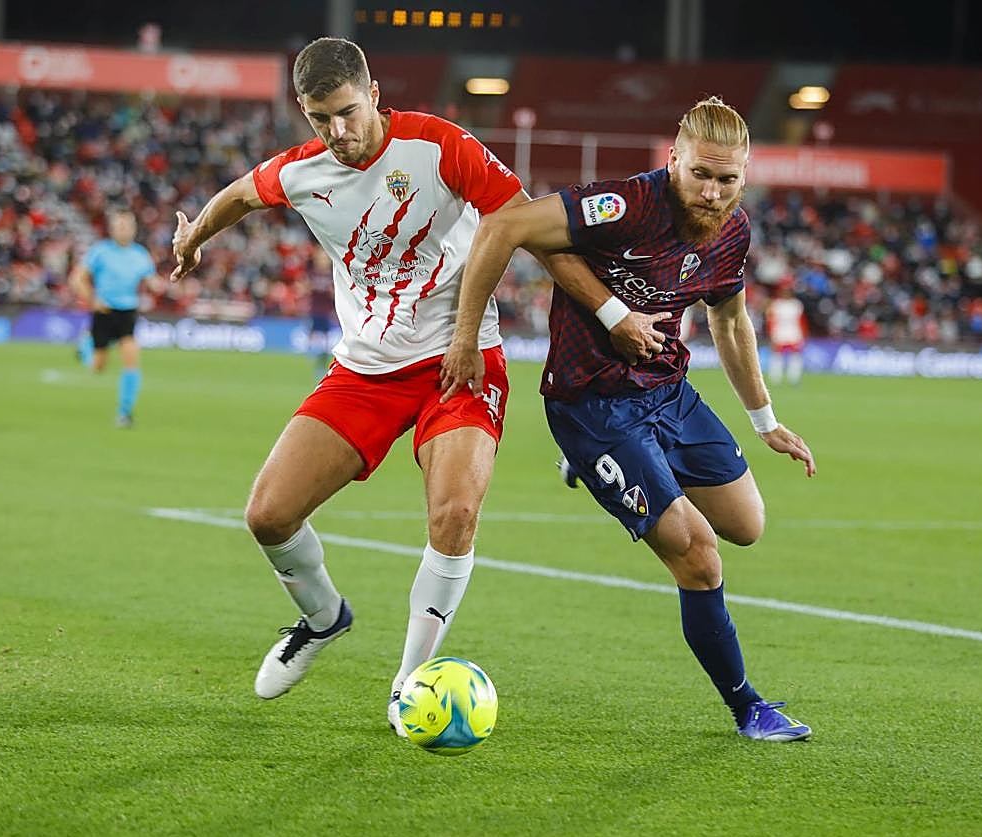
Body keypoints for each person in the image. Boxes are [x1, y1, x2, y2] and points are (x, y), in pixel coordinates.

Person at [169, 37, 648, 736]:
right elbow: (240, 194)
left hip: (460, 361)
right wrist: (194, 239)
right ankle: (323, 618)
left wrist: (611, 311)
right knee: (268, 515)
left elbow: (531, 229)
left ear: (374, 94)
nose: (337, 132)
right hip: (364, 371)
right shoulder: (302, 172)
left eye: (347, 112)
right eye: (318, 119)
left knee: (455, 514)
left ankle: (408, 684)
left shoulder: (440, 147)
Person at [440, 97, 816, 741]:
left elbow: (728, 319)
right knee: (700, 556)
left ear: (746, 176)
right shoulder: (626, 206)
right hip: (592, 405)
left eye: (727, 179)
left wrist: (765, 419)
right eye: (701, 173)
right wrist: (466, 338)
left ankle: (598, 471)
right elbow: (504, 227)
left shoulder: (732, 231)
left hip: (667, 394)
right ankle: (747, 706)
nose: (712, 190)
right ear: (673, 160)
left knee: (746, 526)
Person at [69, 209, 158, 428]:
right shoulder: (100, 252)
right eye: (120, 226)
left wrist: (159, 284)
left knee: (132, 360)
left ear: (134, 228)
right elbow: (77, 279)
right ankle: (86, 347)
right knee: (98, 366)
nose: (124, 230)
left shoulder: (140, 254)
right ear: (112, 229)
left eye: (127, 226)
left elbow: (151, 280)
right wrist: (91, 299)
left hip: (128, 312)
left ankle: (124, 412)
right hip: (104, 312)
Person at [304, 246, 337, 379]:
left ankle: (321, 361)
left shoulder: (332, 274)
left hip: (327, 311)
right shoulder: (312, 274)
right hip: (314, 310)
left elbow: (336, 293)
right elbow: (305, 288)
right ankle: (312, 354)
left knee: (325, 338)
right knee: (314, 335)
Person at [766, 281, 807, 385]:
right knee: (777, 356)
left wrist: (803, 335)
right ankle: (776, 379)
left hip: (794, 333)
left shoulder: (796, 305)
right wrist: (771, 335)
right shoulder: (776, 305)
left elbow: (801, 321)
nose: (786, 293)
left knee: (795, 356)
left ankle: (794, 378)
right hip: (779, 333)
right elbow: (771, 321)